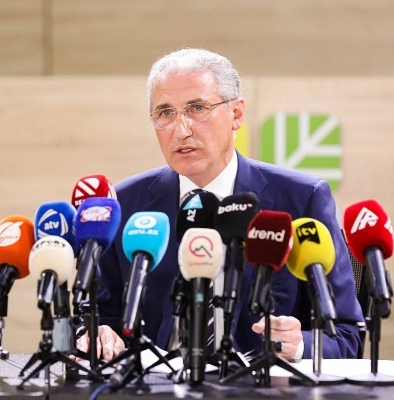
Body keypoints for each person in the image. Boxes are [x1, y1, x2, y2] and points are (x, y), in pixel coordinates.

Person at [76, 48, 364, 363]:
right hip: (156, 381)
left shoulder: (301, 198)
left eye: (197, 108)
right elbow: (97, 316)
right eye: (165, 113)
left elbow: (348, 336)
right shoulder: (127, 204)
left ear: (236, 114)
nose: (181, 130)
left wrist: (299, 345)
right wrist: (97, 334)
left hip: (256, 382)